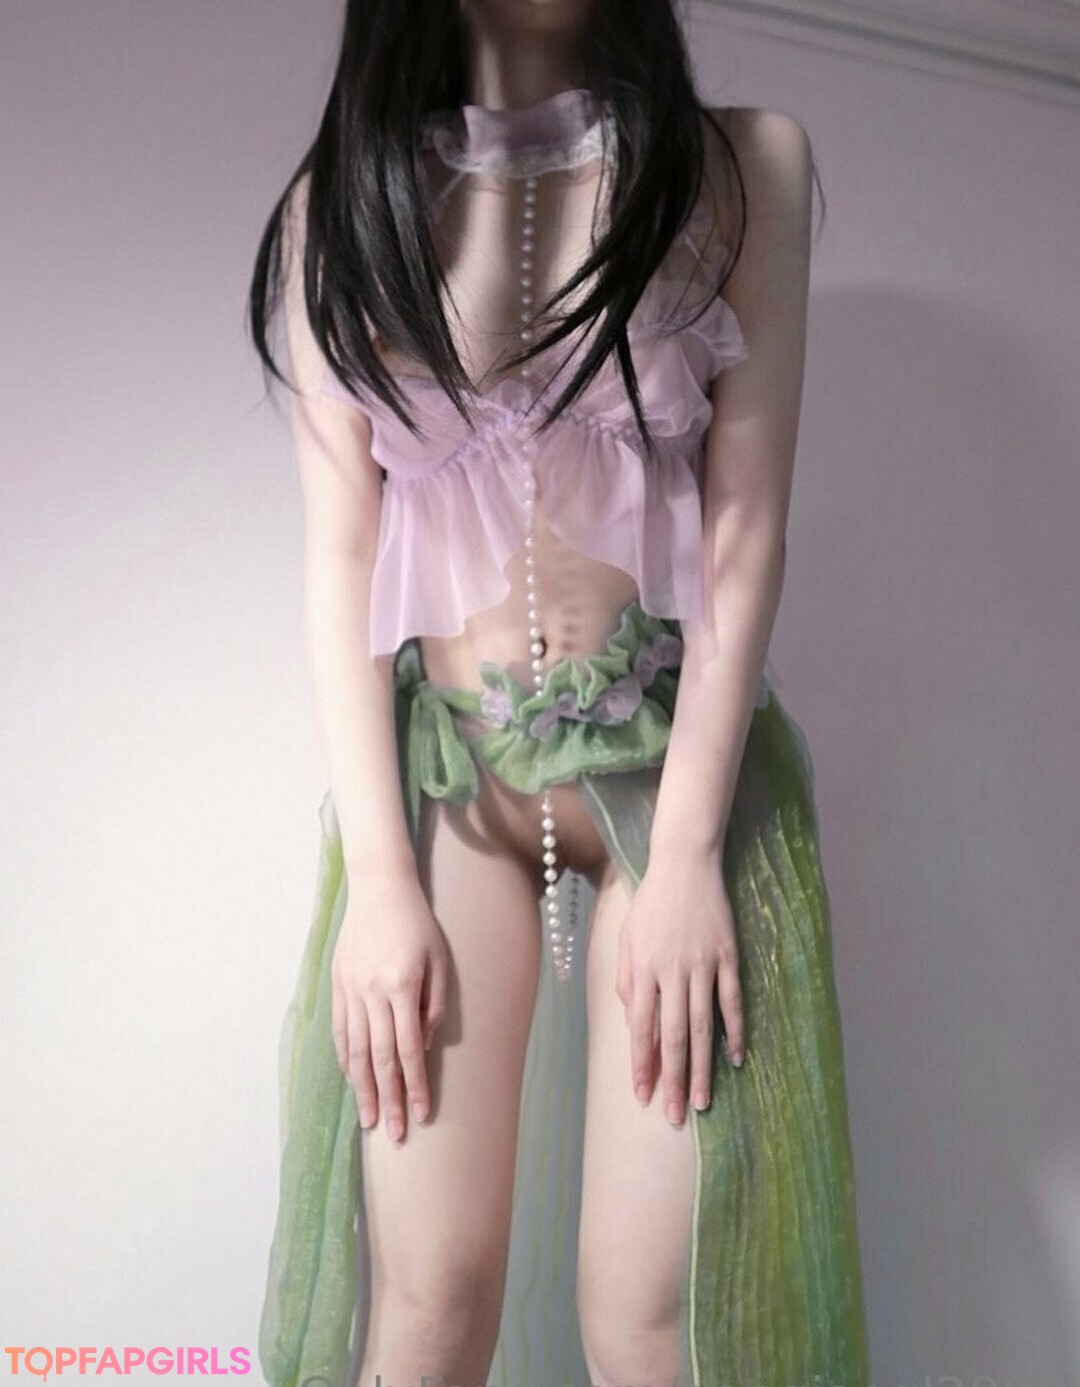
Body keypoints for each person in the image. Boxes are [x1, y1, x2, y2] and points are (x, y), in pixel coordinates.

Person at [248, 2, 871, 1385]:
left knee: (650, 1319)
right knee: (426, 1302)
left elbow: (745, 531)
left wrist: (691, 853)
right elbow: (340, 556)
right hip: (453, 789)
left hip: (672, 778)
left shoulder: (744, 166)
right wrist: (381, 887)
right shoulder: (333, 212)